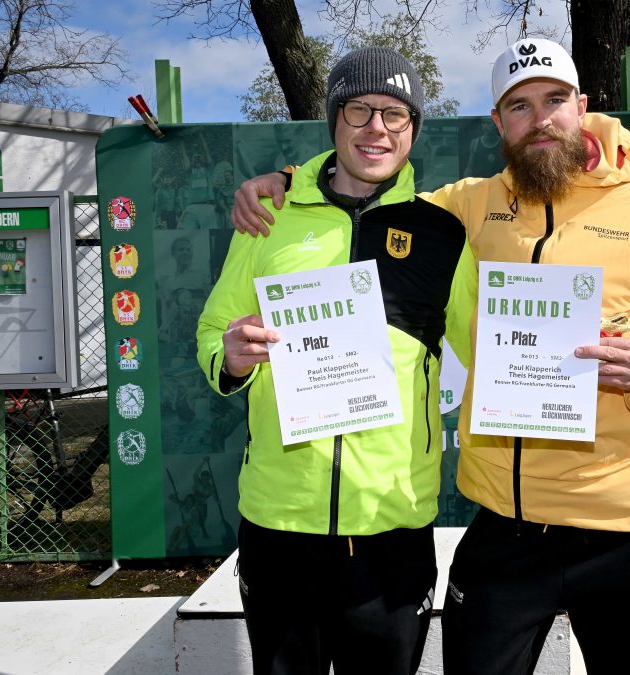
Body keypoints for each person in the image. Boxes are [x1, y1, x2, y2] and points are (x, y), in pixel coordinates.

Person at [231, 38, 630, 675]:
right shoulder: (468, 206)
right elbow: (367, 188)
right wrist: (287, 181)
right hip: (509, 523)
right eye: (519, 106)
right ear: (499, 123)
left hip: (629, 522)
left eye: (554, 101)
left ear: (581, 107)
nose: (540, 119)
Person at [196, 46, 475, 675]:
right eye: (360, 109)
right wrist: (232, 357)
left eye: (396, 115)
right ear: (334, 120)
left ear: (413, 130)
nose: (377, 127)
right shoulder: (269, 215)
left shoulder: (442, 233)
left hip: (390, 522)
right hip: (278, 518)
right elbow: (215, 329)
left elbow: (487, 346)